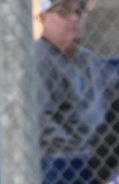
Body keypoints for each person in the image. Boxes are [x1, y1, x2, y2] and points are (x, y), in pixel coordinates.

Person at [34, 0, 111, 165]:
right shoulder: (37, 60)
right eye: (63, 12)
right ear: (43, 18)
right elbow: (41, 126)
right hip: (52, 166)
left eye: (79, 11)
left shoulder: (90, 61)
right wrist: (85, 157)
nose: (75, 18)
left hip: (98, 159)